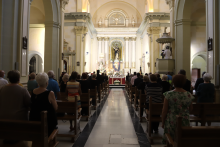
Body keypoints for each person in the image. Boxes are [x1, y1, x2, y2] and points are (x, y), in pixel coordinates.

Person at [162, 74, 194, 144]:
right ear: (183, 82)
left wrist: (163, 122)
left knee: (170, 140)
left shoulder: (168, 94)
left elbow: (164, 111)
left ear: (173, 82)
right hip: (184, 120)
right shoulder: (188, 94)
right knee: (182, 140)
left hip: (171, 120)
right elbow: (191, 109)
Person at [29, 72, 58, 136]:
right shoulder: (50, 93)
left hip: (35, 118)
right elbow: (55, 108)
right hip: (47, 121)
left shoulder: (33, 92)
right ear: (46, 82)